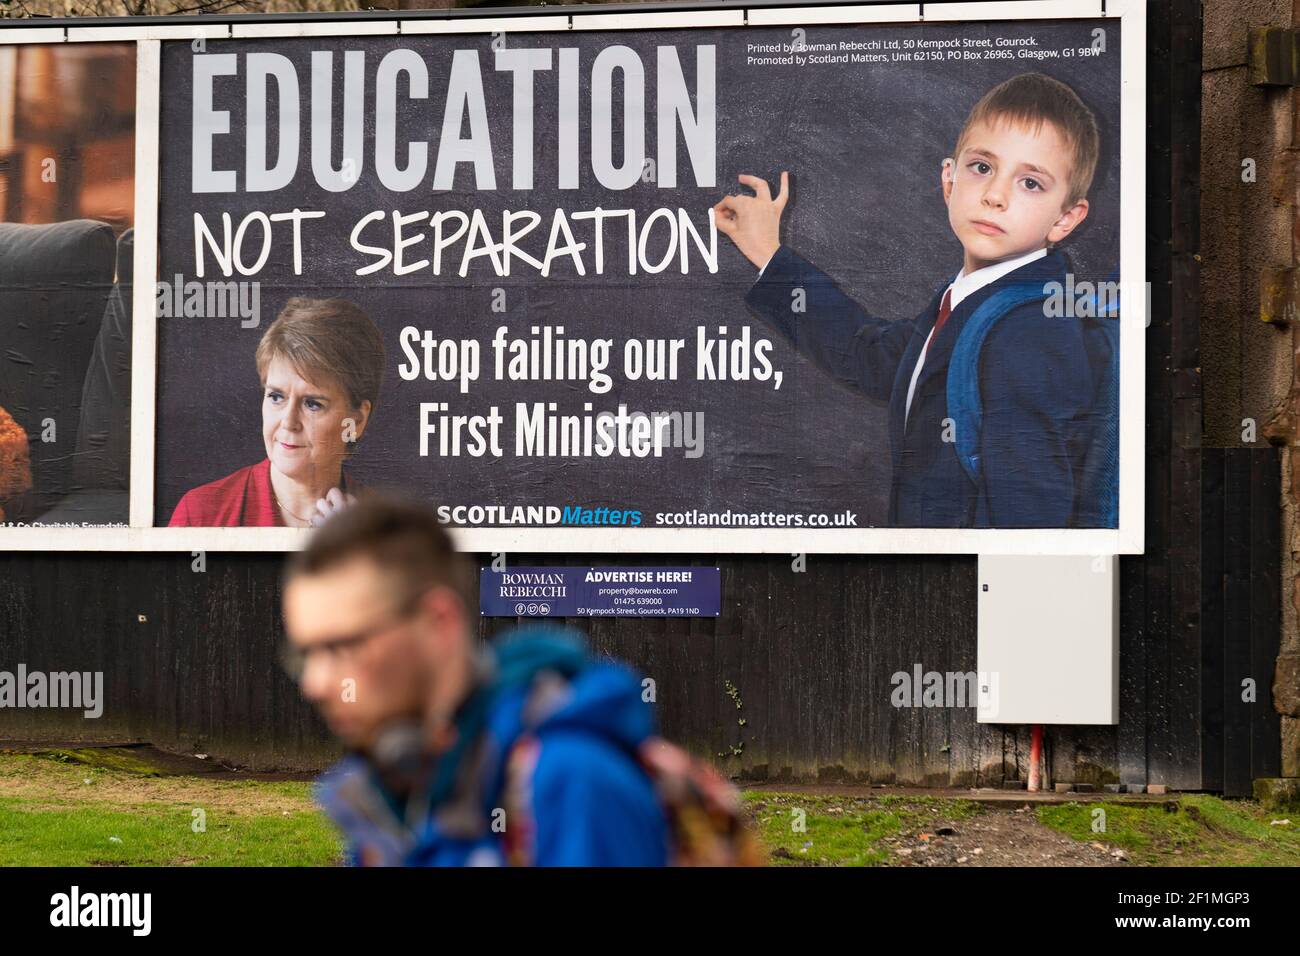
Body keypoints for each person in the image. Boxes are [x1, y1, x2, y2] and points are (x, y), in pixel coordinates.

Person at [714, 72, 1112, 528]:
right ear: (949, 179)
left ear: (1066, 219)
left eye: (1031, 184)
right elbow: (872, 357)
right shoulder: (969, 301)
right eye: (982, 167)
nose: (995, 196)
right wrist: (769, 253)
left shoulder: (1029, 331)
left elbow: (1027, 517)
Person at [280, 497, 680, 866]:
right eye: (306, 654)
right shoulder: (387, 797)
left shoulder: (571, 783)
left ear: (438, 622)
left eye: (341, 646)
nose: (314, 683)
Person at [168, 297, 384, 528]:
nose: (288, 422)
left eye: (312, 404)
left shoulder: (388, 531)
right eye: (276, 397)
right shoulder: (201, 514)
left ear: (357, 420)